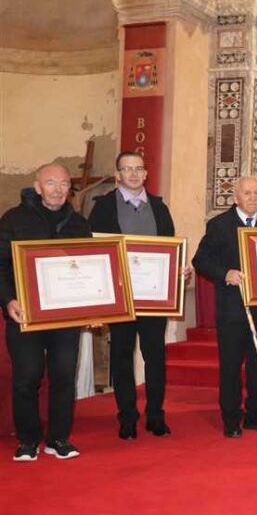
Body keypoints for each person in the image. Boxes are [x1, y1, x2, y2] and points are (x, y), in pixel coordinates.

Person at [88, 151, 183, 440]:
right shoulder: (102, 208)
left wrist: (178, 272)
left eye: (137, 169)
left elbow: (171, 249)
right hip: (120, 299)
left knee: (155, 357)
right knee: (121, 357)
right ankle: (127, 417)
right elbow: (94, 252)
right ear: (117, 174)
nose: (132, 174)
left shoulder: (159, 207)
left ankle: (156, 416)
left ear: (145, 174)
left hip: (154, 299)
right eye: (126, 169)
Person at [1, 164, 92, 461]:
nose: (58, 189)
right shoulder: (14, 220)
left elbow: (92, 269)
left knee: (64, 377)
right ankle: (28, 440)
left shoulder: (78, 223)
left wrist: (95, 307)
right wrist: (8, 300)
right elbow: (1, 265)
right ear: (38, 187)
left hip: (66, 317)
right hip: (25, 314)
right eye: (51, 183)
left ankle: (58, 439)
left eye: (64, 184)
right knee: (27, 377)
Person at [192, 176, 257, 438]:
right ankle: (231, 418)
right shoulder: (219, 225)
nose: (253, 198)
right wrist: (225, 273)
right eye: (248, 193)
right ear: (236, 197)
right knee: (230, 365)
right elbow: (201, 261)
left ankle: (256, 415)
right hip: (231, 308)